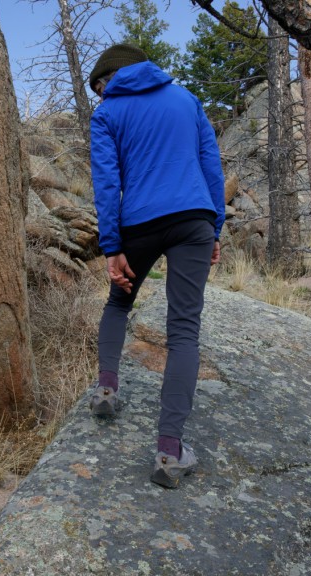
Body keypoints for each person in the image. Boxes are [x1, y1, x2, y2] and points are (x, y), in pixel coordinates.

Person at [87, 44, 225, 489]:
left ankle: (107, 389)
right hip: (193, 220)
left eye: (100, 84)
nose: (101, 92)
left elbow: (107, 183)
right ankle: (170, 452)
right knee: (184, 330)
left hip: (140, 224)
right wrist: (215, 226)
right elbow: (211, 165)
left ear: (115, 75)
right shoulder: (186, 99)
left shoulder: (107, 114)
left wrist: (112, 246)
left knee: (118, 302)